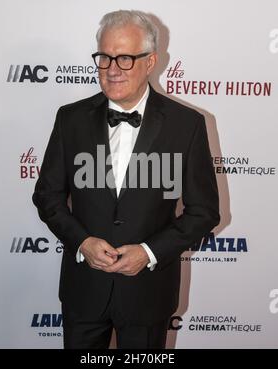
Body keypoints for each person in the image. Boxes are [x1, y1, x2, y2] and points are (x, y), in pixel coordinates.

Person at [32, 10, 220, 349]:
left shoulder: (186, 125)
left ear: (150, 62)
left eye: (125, 58)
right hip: (84, 290)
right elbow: (47, 196)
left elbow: (204, 212)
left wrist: (149, 252)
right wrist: (82, 243)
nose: (112, 69)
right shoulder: (69, 119)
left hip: (148, 294)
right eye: (104, 57)